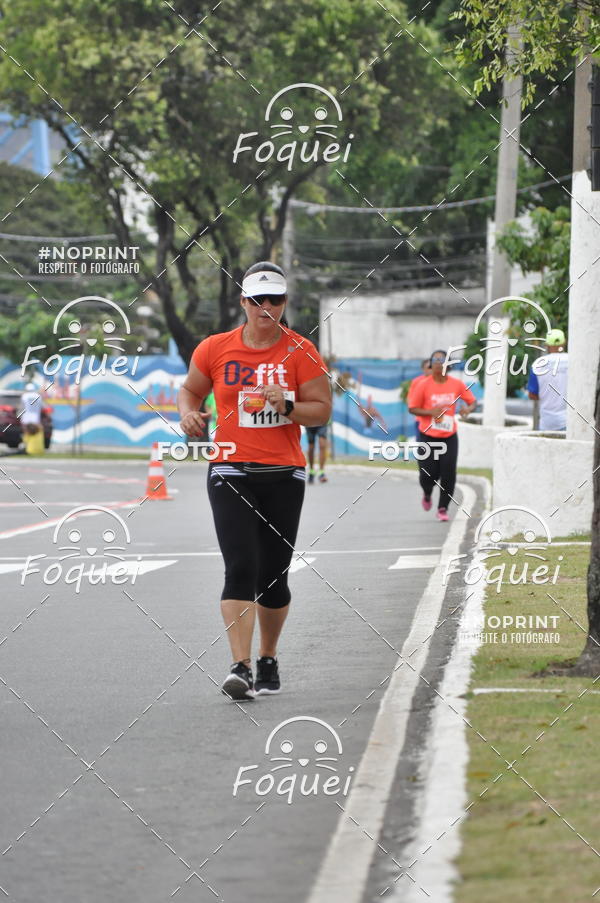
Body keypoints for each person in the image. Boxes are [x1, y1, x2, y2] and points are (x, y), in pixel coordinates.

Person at [178, 261, 332, 700]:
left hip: (284, 473)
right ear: (242, 301)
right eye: (257, 299)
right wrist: (188, 414)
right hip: (229, 468)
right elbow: (190, 389)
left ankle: (267, 655)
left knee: (274, 577)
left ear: (285, 303)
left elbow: (321, 410)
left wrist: (287, 405)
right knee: (240, 567)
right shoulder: (214, 348)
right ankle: (240, 666)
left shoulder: (301, 351)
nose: (267, 307)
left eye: (276, 299)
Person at [407, 350, 477, 522]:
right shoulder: (423, 384)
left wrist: (468, 409)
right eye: (435, 360)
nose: (438, 362)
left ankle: (443, 508)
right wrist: (430, 412)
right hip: (427, 435)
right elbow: (412, 408)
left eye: (442, 359)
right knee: (428, 474)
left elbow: (473, 401)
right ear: (431, 364)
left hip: (449, 436)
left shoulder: (457, 384)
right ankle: (427, 492)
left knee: (448, 473)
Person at [527, 328, 568, 431]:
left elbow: (532, 395)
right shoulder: (573, 361)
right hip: (568, 421)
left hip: (547, 423)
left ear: (547, 345)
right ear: (564, 343)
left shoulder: (538, 364)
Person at [20, 382, 44, 454]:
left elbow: (22, 407)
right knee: (35, 433)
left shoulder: (24, 396)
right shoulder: (38, 396)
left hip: (26, 417)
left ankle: (26, 446)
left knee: (26, 432)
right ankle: (34, 447)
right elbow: (41, 406)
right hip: (36, 418)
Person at [409, 358, 432, 433]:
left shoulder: (440, 381)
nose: (431, 369)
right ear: (423, 369)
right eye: (429, 367)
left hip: (438, 421)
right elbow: (410, 400)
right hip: (421, 420)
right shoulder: (417, 382)